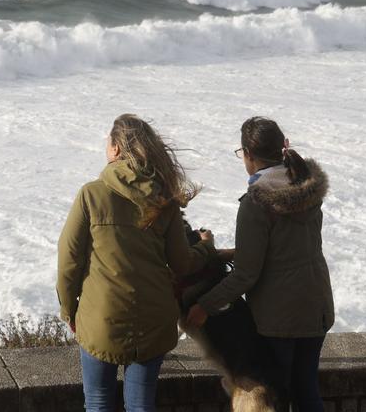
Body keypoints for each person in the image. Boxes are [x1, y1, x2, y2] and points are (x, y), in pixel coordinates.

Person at [57, 114, 215, 412]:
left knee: (98, 403)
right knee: (141, 406)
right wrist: (206, 249)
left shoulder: (92, 194)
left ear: (116, 149)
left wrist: (69, 310)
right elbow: (181, 264)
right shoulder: (164, 199)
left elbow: (69, 261)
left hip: (100, 317)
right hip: (153, 320)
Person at [185, 116, 334, 412]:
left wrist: (204, 306)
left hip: (278, 316)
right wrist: (225, 254)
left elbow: (246, 275)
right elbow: (282, 249)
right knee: (306, 392)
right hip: (316, 306)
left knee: (276, 395)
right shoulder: (307, 188)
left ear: (248, 155)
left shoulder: (256, 203)